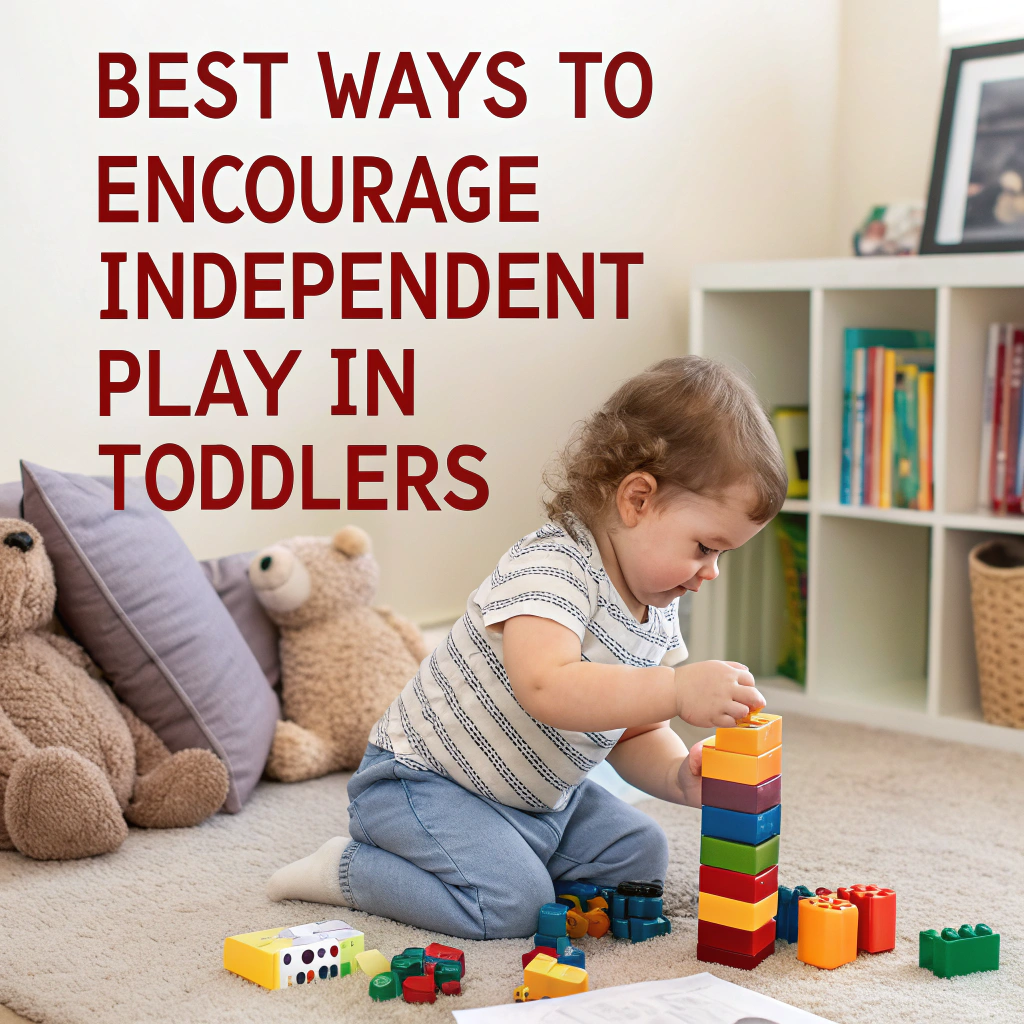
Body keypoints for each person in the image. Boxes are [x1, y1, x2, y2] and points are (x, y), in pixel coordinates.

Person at [267, 355, 787, 939]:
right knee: (512, 906)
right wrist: (675, 688)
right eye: (702, 547)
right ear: (637, 499)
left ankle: (503, 860)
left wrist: (675, 775)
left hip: (540, 804)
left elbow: (632, 728)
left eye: (723, 555)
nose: (711, 571)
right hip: (422, 785)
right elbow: (548, 686)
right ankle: (350, 870)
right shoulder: (552, 565)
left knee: (641, 854)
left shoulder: (656, 612)